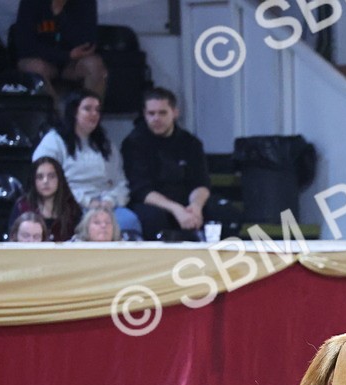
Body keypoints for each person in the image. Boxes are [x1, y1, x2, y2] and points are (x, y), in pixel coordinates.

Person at [33, 91, 141, 238]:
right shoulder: (54, 141)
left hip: (106, 205)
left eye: (97, 110)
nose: (94, 114)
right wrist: (87, 202)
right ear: (74, 112)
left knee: (129, 220)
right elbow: (44, 178)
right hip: (71, 205)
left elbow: (120, 181)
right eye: (87, 109)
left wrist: (109, 201)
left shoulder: (105, 144)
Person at [121, 87, 213, 242]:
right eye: (151, 113)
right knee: (153, 217)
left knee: (223, 211)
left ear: (175, 113)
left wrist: (195, 207)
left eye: (162, 113)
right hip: (153, 202)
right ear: (144, 114)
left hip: (186, 199)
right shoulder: (133, 143)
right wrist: (176, 209)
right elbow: (141, 190)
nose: (156, 118)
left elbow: (201, 182)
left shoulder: (190, 142)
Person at [11, 0, 105, 101]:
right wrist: (65, 55)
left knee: (94, 64)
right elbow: (25, 45)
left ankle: (88, 111)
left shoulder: (85, 3)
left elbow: (87, 43)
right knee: (35, 67)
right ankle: (55, 112)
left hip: (72, 63)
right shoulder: (32, 2)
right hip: (43, 60)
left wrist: (60, 14)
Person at [8, 156, 81, 241]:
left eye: (51, 176)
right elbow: (12, 239)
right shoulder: (22, 206)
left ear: (59, 179)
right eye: (40, 177)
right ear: (33, 180)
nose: (45, 181)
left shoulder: (72, 207)